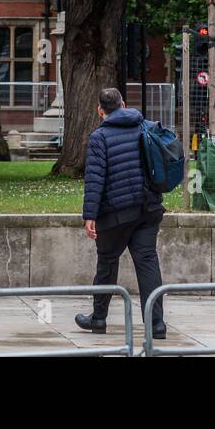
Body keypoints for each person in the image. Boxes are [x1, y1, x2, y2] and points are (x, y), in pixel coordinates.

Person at [77, 88, 166, 338]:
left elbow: (95, 180)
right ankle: (156, 324)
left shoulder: (99, 137)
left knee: (107, 261)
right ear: (124, 104)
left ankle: (98, 319)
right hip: (148, 208)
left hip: (115, 213)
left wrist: (89, 216)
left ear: (100, 110)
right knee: (147, 262)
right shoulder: (143, 126)